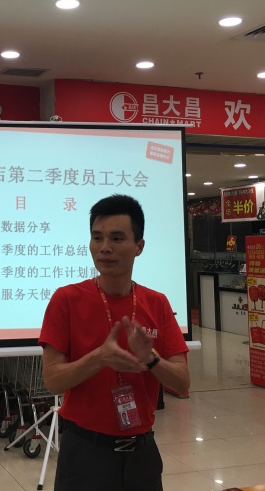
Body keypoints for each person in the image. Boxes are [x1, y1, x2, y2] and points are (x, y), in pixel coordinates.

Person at [39, 194, 190, 491]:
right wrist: (100, 358)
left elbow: (182, 382)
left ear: (139, 246)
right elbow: (53, 381)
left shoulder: (157, 303)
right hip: (85, 451)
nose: (104, 247)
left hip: (142, 453)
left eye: (117, 238)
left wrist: (151, 359)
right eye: (97, 237)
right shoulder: (66, 299)